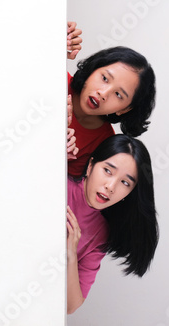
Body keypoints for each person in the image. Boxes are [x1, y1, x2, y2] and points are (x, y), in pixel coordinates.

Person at [66, 134, 159, 314]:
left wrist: (70, 255)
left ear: (129, 193)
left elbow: (71, 306)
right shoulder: (59, 185)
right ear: (91, 166)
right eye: (108, 171)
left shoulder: (101, 233)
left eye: (125, 182)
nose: (111, 186)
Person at [67, 46, 157, 177]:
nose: (103, 94)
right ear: (93, 69)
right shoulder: (56, 81)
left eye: (118, 95)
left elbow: (67, 189)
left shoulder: (103, 144)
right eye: (104, 78)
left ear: (124, 109)